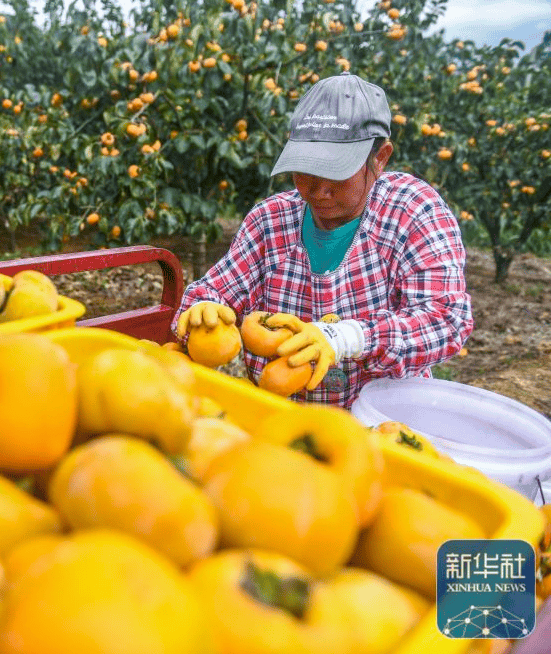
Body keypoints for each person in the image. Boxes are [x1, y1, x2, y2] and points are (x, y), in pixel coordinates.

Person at [172, 71, 473, 409]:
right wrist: (202, 308)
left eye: (336, 173)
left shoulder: (412, 211)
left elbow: (447, 320)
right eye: (305, 171)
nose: (318, 190)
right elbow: (211, 292)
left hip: (380, 425)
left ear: (380, 157)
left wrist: (349, 338)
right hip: (284, 419)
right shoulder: (271, 220)